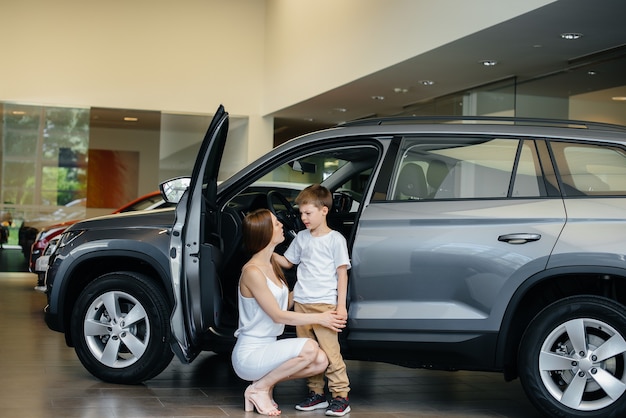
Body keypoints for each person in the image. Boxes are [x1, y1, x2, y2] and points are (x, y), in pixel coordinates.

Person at [231, 208, 346, 416]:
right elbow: (278, 315)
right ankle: (259, 388)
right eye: (276, 223)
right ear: (265, 233)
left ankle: (262, 385)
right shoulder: (252, 271)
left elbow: (288, 300)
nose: (282, 225)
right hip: (250, 353)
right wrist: (321, 317)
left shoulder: (272, 264)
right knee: (311, 348)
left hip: (269, 348)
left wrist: (315, 287)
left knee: (320, 361)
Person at [273, 184, 352, 417]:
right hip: (302, 306)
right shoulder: (302, 239)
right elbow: (288, 263)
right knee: (309, 353)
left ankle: (340, 396)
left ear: (324, 210)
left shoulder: (335, 239)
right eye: (301, 213)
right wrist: (267, 250)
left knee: (331, 353)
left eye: (308, 213)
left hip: (326, 306)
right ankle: (316, 394)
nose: (303, 218)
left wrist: (340, 306)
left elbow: (342, 273)